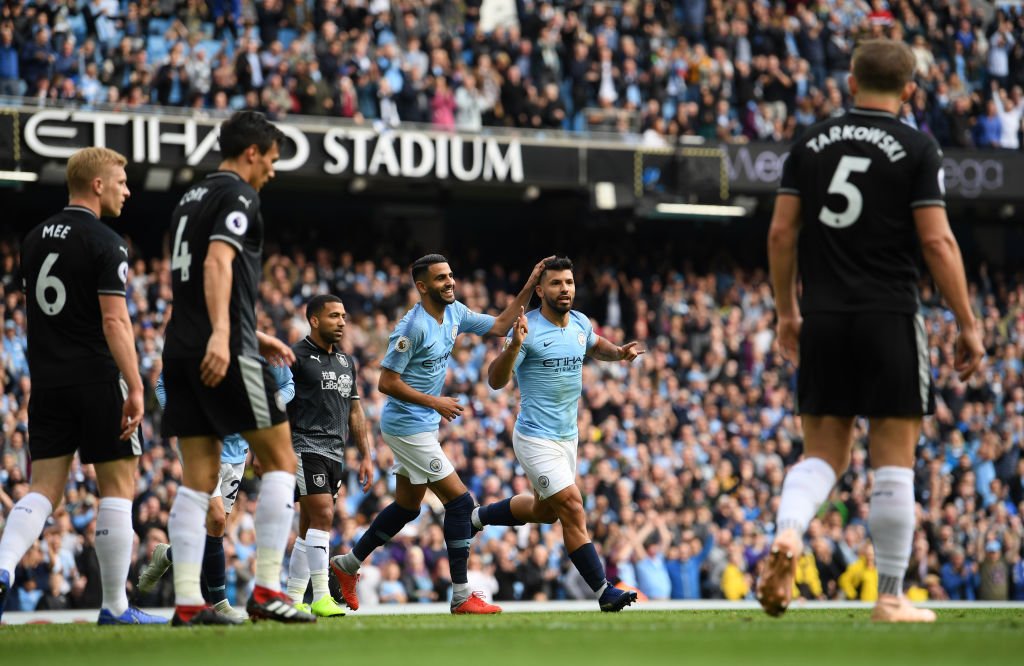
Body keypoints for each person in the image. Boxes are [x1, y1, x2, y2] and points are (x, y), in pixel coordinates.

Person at [759, 39, 984, 623]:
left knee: (823, 457)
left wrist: (787, 312)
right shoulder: (916, 145)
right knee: (893, 462)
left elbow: (782, 235)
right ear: (909, 91)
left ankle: (788, 533)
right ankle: (889, 596)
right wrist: (967, 322)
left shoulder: (809, 143)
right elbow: (936, 241)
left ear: (851, 83)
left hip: (825, 317)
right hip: (890, 316)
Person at [331, 253, 551, 614]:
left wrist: (530, 287)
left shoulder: (455, 312)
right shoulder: (411, 327)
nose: (450, 282)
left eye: (450, 275)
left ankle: (348, 565)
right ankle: (462, 595)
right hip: (407, 426)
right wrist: (434, 402)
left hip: (422, 424)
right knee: (461, 504)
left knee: (406, 507)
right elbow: (386, 382)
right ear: (422, 286)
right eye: (441, 278)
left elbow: (498, 325)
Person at [161, 110, 314, 626]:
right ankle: (269, 590)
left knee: (197, 479)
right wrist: (229, 336)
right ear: (252, 153)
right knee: (280, 460)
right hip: (222, 350)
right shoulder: (240, 196)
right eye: (271, 159)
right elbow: (218, 262)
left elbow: (191, 273)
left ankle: (187, 603)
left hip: (179, 346)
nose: (272, 170)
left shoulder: (190, 197)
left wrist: (253, 330)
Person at [0, 147, 165, 625]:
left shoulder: (33, 239)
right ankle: (115, 606)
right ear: (97, 184)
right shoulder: (107, 241)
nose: (127, 190)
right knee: (117, 488)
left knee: (43, 489)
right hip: (97, 377)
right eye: (121, 181)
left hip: (47, 382)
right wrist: (135, 385)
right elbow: (114, 320)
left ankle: (4, 564)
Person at [473, 256, 641, 612]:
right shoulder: (526, 328)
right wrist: (515, 346)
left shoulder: (580, 321)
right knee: (571, 506)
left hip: (568, 437)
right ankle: (603, 591)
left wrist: (620, 354)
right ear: (540, 290)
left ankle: (479, 517)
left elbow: (594, 345)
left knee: (545, 511)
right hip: (535, 437)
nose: (565, 289)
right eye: (556, 283)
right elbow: (495, 381)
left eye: (569, 282)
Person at [139, 352, 295, 622]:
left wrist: (264, 408)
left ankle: (168, 555)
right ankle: (220, 602)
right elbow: (164, 385)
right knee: (216, 520)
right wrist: (182, 420)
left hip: (237, 454)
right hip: (201, 446)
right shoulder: (196, 344)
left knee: (215, 529)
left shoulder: (255, 348)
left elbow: (287, 385)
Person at [284, 294, 373, 618]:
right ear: (314, 320)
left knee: (309, 527)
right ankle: (321, 595)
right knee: (323, 516)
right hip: (304, 447)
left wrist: (366, 454)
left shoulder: (346, 361)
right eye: (334, 315)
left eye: (344, 315)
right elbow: (276, 404)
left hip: (335, 453)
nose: (342, 322)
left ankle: (293, 595)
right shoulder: (294, 357)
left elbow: (355, 410)